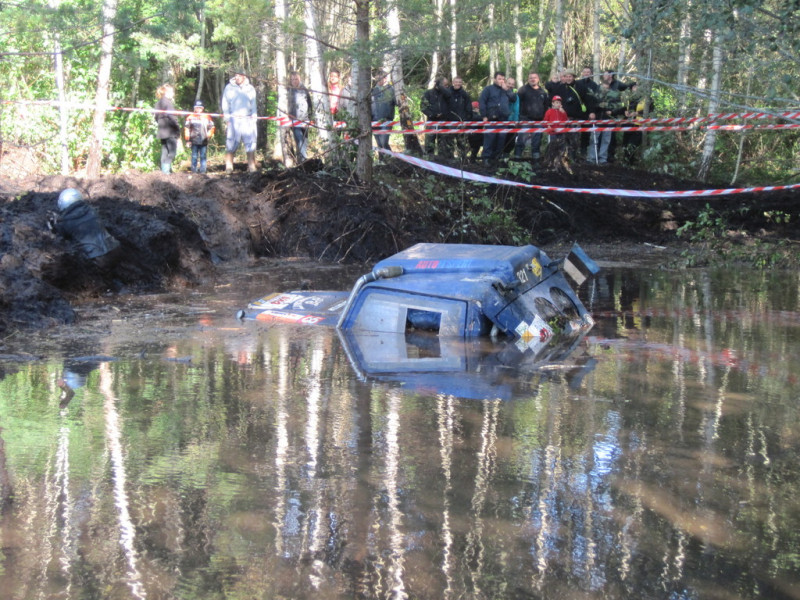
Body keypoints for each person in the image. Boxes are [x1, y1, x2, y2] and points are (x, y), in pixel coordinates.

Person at [48, 188, 121, 272]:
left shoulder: (64, 222)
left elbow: (60, 238)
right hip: (115, 249)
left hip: (98, 258)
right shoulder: (93, 210)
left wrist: (54, 224)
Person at [221, 70, 258, 172]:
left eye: (239, 76)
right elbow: (225, 103)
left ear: (244, 77)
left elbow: (253, 103)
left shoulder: (250, 88)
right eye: (236, 76)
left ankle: (251, 165)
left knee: (250, 142)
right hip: (234, 118)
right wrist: (227, 117)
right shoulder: (229, 88)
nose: (237, 77)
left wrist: (254, 117)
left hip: (247, 119)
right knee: (231, 142)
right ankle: (229, 166)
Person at [478, 71, 517, 164]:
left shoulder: (507, 90)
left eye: (503, 79)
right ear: (494, 79)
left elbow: (514, 99)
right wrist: (484, 115)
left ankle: (496, 158)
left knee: (501, 139)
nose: (501, 81)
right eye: (499, 79)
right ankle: (486, 158)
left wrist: (507, 90)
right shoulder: (488, 89)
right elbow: (482, 102)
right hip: (491, 118)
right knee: (490, 138)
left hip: (503, 119)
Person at [545, 70, 584, 158]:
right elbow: (551, 94)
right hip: (562, 120)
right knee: (561, 140)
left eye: (570, 76)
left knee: (574, 139)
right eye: (566, 76)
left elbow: (587, 99)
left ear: (573, 77)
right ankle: (560, 157)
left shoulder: (580, 87)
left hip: (575, 118)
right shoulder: (560, 87)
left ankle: (573, 157)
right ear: (564, 78)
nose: (568, 78)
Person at [515, 71, 549, 159]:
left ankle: (536, 158)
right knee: (521, 139)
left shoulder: (543, 92)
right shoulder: (523, 90)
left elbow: (545, 106)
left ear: (538, 79)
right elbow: (517, 104)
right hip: (525, 119)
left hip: (538, 120)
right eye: (531, 78)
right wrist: (518, 118)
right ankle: (517, 158)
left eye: (534, 78)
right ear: (528, 79)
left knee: (537, 140)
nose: (533, 79)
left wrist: (544, 119)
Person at [593, 80, 625, 163]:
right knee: (594, 139)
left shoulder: (613, 96)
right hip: (598, 119)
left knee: (606, 140)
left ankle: (603, 158)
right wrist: (598, 107)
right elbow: (591, 105)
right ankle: (592, 158)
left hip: (608, 120)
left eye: (606, 88)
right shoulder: (596, 95)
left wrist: (611, 111)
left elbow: (619, 106)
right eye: (603, 88)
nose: (604, 89)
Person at [421, 76, 452, 157]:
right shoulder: (428, 93)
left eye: (447, 85)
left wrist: (442, 89)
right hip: (432, 120)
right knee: (430, 141)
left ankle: (442, 160)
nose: (446, 87)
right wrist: (433, 114)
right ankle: (429, 159)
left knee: (443, 142)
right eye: (444, 85)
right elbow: (423, 107)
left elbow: (450, 98)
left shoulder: (446, 94)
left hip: (444, 121)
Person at [622, 82, 653, 164]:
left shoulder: (647, 99)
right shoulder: (630, 99)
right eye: (634, 87)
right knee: (625, 143)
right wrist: (626, 112)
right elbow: (625, 108)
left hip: (640, 125)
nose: (636, 89)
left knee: (633, 143)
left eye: (637, 87)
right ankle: (627, 161)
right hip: (629, 123)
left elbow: (651, 110)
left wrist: (637, 113)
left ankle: (631, 161)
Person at [287, 71, 313, 163]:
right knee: (299, 138)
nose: (294, 81)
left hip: (305, 119)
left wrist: (310, 117)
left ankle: (301, 160)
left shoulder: (304, 90)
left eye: (296, 79)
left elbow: (310, 104)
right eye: (292, 79)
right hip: (294, 120)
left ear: (299, 79)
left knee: (304, 140)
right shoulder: (288, 90)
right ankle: (303, 159)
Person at [184, 100, 215, 174]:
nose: (198, 109)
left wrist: (208, 135)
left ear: (202, 108)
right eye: (197, 108)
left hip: (203, 140)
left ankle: (203, 171)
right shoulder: (190, 117)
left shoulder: (207, 117)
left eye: (200, 108)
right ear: (194, 108)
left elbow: (212, 127)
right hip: (193, 140)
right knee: (194, 156)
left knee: (203, 156)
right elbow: (187, 128)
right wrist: (187, 140)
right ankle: (194, 171)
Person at [154, 84, 180, 174]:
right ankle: (166, 171)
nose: (173, 94)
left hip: (162, 131)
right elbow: (172, 117)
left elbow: (156, 117)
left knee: (165, 151)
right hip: (170, 131)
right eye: (172, 92)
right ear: (167, 92)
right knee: (172, 152)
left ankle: (164, 171)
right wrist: (177, 129)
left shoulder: (158, 103)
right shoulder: (168, 103)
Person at [446, 76, 474, 159]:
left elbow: (469, 108)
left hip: (461, 121)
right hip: (449, 121)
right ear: (453, 82)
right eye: (456, 82)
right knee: (449, 142)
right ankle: (449, 159)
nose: (458, 84)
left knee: (462, 143)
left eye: (459, 82)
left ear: (462, 83)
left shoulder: (465, 94)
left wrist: (467, 120)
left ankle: (463, 160)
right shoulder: (447, 93)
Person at [576, 66, 600, 158]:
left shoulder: (594, 85)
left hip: (589, 112)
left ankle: (584, 151)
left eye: (588, 72)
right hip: (577, 112)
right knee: (574, 133)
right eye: (585, 72)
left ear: (591, 73)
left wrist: (593, 112)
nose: (586, 73)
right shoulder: (577, 83)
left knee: (586, 133)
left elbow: (595, 100)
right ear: (582, 73)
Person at [371, 70, 397, 150]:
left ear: (385, 78)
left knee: (384, 142)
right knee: (379, 143)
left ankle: (389, 159)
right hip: (374, 120)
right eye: (377, 79)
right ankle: (382, 160)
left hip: (386, 120)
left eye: (380, 78)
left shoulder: (391, 90)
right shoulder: (373, 90)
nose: (378, 81)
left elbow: (397, 102)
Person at [502, 76, 520, 157]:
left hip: (511, 122)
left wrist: (516, 120)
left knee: (510, 141)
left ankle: (506, 157)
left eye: (512, 84)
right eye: (509, 83)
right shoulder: (501, 93)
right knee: (500, 140)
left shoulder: (516, 96)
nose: (510, 85)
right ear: (505, 83)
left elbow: (517, 109)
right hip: (501, 121)